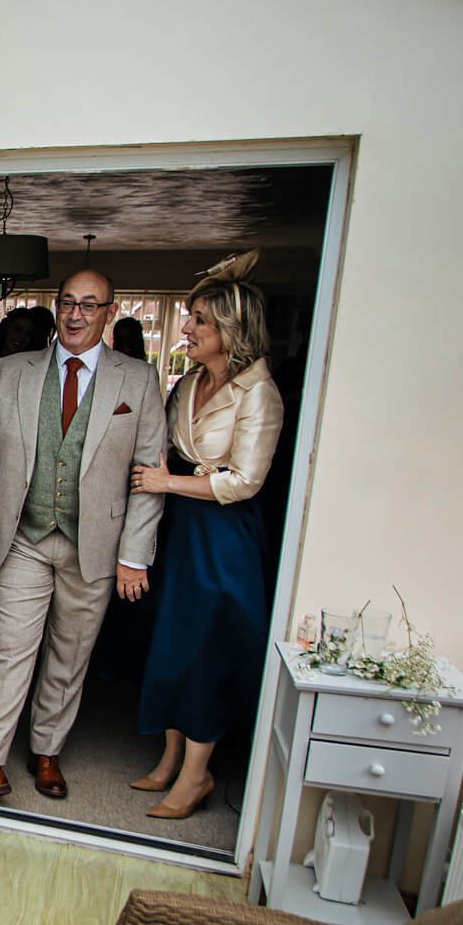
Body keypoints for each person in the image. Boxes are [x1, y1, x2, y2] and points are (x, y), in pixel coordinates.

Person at [0, 269, 166, 804]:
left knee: (70, 655)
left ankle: (46, 751)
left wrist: (135, 554)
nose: (76, 314)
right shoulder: (14, 370)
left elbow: (148, 475)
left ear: (109, 312)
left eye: (90, 305)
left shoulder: (138, 380)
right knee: (8, 649)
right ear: (56, 307)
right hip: (23, 536)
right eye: (67, 302)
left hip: (96, 543)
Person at [129, 252, 285, 819]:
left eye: (199, 320)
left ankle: (196, 777)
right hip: (184, 530)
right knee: (171, 645)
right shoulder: (190, 381)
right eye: (190, 317)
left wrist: (167, 481)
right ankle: (170, 760)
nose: (187, 329)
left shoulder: (259, 394)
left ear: (231, 332)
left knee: (206, 655)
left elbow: (245, 480)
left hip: (224, 540)